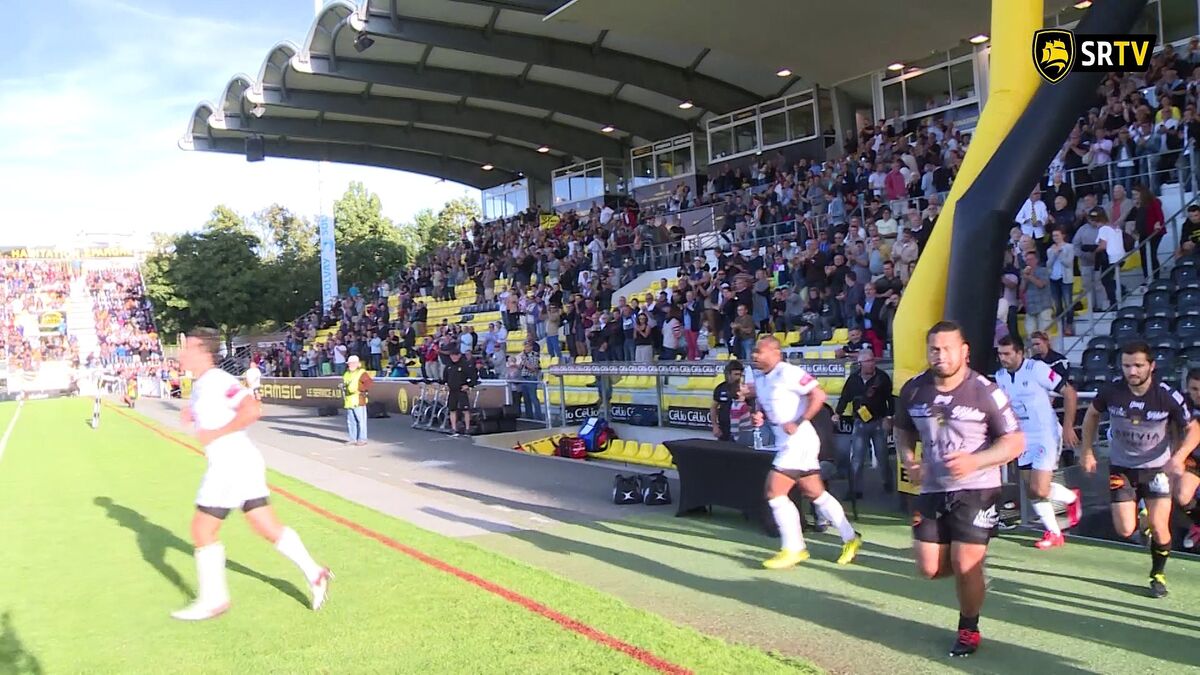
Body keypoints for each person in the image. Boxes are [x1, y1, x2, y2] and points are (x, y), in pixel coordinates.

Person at [172, 327, 331, 621]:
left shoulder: (218, 380)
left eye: (188, 347)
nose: (182, 352)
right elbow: (209, 410)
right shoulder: (200, 384)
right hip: (241, 462)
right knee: (265, 526)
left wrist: (216, 432)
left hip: (230, 463)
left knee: (202, 530)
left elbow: (252, 409)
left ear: (203, 352)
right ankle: (315, 573)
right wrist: (192, 414)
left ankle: (214, 600)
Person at [893, 321, 1024, 657]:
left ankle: (969, 627)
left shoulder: (985, 391)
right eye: (934, 349)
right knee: (929, 568)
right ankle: (974, 572)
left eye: (948, 348)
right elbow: (902, 430)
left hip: (977, 488)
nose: (941, 355)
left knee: (965, 564)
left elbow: (1015, 442)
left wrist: (975, 462)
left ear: (964, 351)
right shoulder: (913, 390)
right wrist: (909, 459)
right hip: (933, 487)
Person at [1079, 342, 1200, 598]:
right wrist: (1087, 451)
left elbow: (1193, 429)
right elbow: (1091, 416)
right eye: (1126, 366)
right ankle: (1141, 516)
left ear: (1151, 366)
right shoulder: (1112, 391)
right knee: (1124, 529)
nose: (1132, 371)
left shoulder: (1166, 395)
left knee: (1159, 527)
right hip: (1122, 468)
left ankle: (1157, 574)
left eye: (1138, 366)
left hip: (1156, 470)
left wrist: (1179, 457)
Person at [750, 336, 862, 569]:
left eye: (760, 351)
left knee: (774, 492)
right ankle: (851, 537)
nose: (755, 355)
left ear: (775, 353)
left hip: (799, 441)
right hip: (788, 442)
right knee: (816, 494)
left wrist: (799, 421)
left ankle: (794, 548)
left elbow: (818, 395)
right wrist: (760, 414)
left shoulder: (788, 372)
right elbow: (765, 402)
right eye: (754, 351)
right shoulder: (761, 378)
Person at [993, 335, 1081, 549]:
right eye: (1000, 354)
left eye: (1007, 354)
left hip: (1045, 434)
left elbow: (1069, 393)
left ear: (1020, 353)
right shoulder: (1000, 376)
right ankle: (1054, 533)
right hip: (1023, 437)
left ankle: (1070, 498)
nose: (1002, 358)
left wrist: (1068, 426)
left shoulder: (1037, 369)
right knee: (1030, 488)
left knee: (1039, 489)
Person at [833, 350, 894, 496]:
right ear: (860, 364)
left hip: (878, 421)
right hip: (860, 423)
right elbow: (845, 397)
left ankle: (888, 483)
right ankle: (855, 490)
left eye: (872, 360)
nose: (871, 363)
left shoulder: (882, 377)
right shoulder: (853, 379)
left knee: (882, 457)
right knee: (857, 459)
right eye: (868, 361)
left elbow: (890, 399)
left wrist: (890, 417)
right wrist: (837, 413)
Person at [1179, 369, 1200, 549]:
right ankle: (1198, 525)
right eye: (1194, 389)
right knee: (1182, 496)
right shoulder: (1182, 405)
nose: (1198, 394)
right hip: (1193, 459)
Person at [442, 344, 479, 437]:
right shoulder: (448, 366)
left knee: (465, 410)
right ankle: (454, 428)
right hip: (452, 391)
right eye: (452, 355)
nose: (453, 357)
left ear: (459, 355)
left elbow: (474, 377)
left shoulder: (465, 365)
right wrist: (445, 384)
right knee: (452, 409)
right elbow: (445, 378)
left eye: (455, 355)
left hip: (461, 390)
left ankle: (467, 428)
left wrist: (468, 385)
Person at [711, 360, 749, 443]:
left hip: (740, 431)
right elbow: (713, 407)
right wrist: (715, 426)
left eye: (740, 374)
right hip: (723, 430)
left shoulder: (744, 390)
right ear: (728, 374)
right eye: (735, 374)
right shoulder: (720, 388)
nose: (738, 377)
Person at [342, 355, 372, 446]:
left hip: (358, 400)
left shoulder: (361, 373)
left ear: (356, 364)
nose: (350, 365)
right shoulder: (347, 373)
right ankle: (353, 439)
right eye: (349, 363)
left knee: (361, 421)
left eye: (351, 363)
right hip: (349, 400)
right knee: (351, 421)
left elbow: (369, 383)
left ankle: (362, 439)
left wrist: (360, 390)